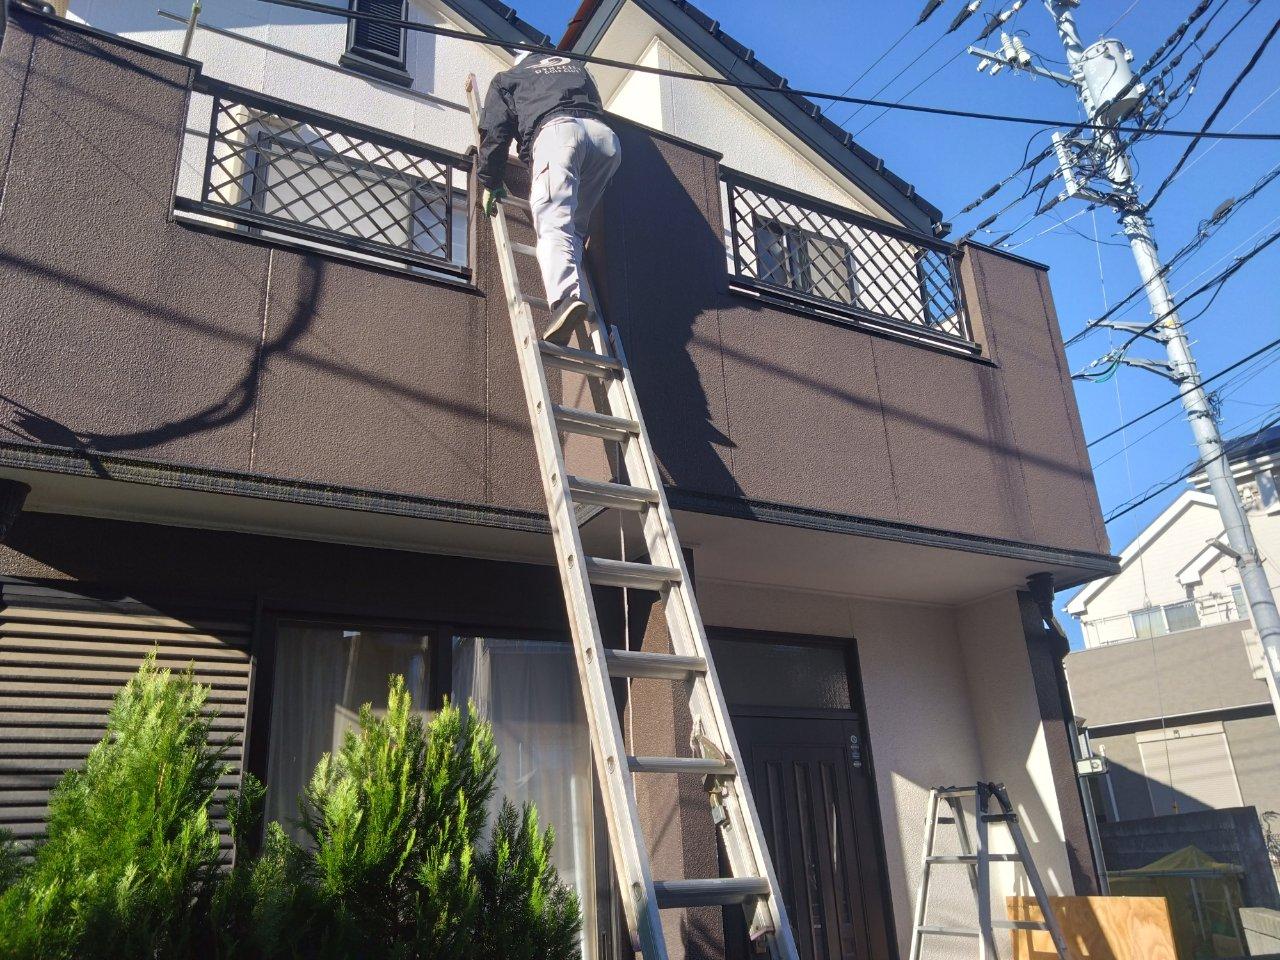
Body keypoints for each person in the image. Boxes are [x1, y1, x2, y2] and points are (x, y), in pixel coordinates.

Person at [477, 51, 621, 345]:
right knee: (574, 228)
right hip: (606, 141)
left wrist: (489, 180)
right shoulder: (576, 68)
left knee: (552, 222)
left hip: (558, 133)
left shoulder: (509, 78)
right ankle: (576, 292)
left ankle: (566, 299)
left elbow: (496, 130)